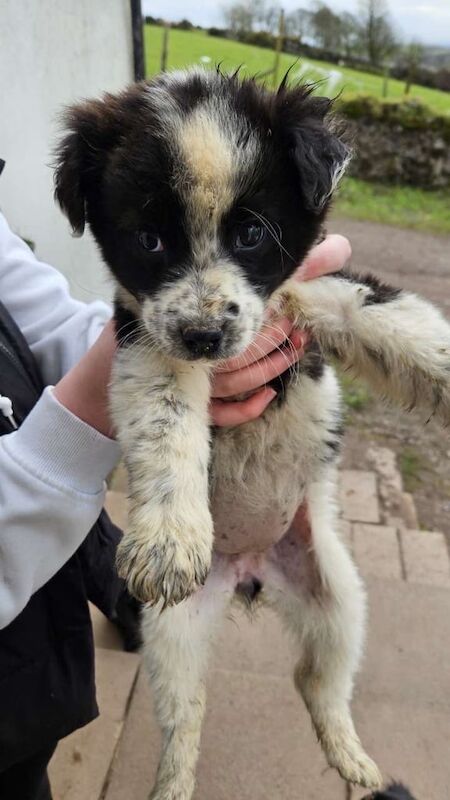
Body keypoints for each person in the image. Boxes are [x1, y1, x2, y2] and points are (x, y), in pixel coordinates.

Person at [0, 198, 351, 799]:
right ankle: (175, 762)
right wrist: (85, 418)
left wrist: (143, 358)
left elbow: (35, 308)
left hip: (33, 662)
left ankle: (330, 707)